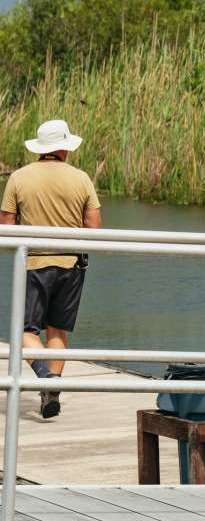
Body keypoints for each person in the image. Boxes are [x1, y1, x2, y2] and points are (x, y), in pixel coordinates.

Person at [0, 119, 101, 419]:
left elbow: (6, 227)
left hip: (34, 263)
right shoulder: (81, 179)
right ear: (64, 148)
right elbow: (94, 227)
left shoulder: (18, 178)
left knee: (25, 330)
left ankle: (43, 376)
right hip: (72, 264)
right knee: (58, 330)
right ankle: (51, 391)